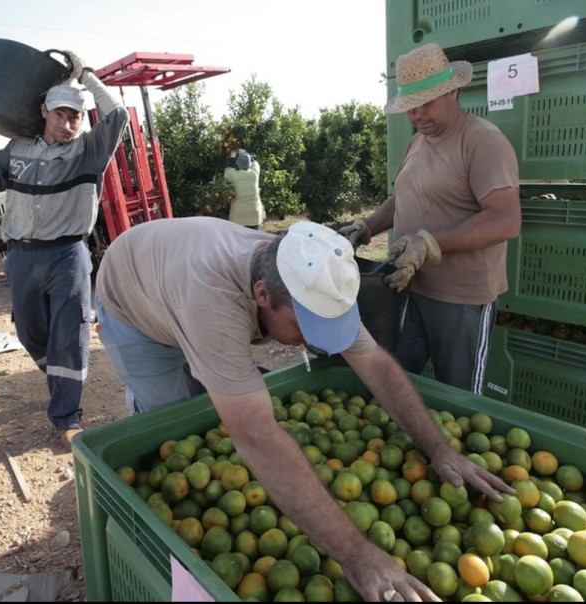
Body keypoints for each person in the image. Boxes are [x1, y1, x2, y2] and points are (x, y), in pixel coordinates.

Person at [94, 216, 515, 602]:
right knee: (172, 421)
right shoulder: (213, 300)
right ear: (262, 294)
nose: (311, 344)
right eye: (304, 329)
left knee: (218, 390)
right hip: (132, 300)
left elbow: (377, 366)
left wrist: (438, 448)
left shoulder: (310, 275)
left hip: (181, 281)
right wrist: (356, 554)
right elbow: (256, 434)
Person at [0, 51, 129, 450]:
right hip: (23, 257)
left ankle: (67, 415)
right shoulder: (17, 149)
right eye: (61, 115)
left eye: (75, 117)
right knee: (31, 333)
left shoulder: (89, 152)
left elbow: (117, 118)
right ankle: (58, 379)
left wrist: (87, 76)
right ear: (44, 112)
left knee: (70, 336)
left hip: (67, 256)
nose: (68, 124)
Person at [340, 42, 521, 394]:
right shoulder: (419, 141)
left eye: (427, 103)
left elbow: (505, 220)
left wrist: (431, 243)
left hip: (462, 299)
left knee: (459, 396)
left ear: (453, 91)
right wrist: (366, 227)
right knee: (398, 382)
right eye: (410, 107)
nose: (418, 114)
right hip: (410, 286)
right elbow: (403, 197)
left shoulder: (482, 141)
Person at [223, 148, 265, 229]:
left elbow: (228, 169)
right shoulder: (254, 173)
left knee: (237, 239)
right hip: (254, 212)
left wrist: (232, 156)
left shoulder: (233, 175)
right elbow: (255, 162)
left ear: (237, 163)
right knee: (254, 238)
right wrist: (245, 153)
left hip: (238, 213)